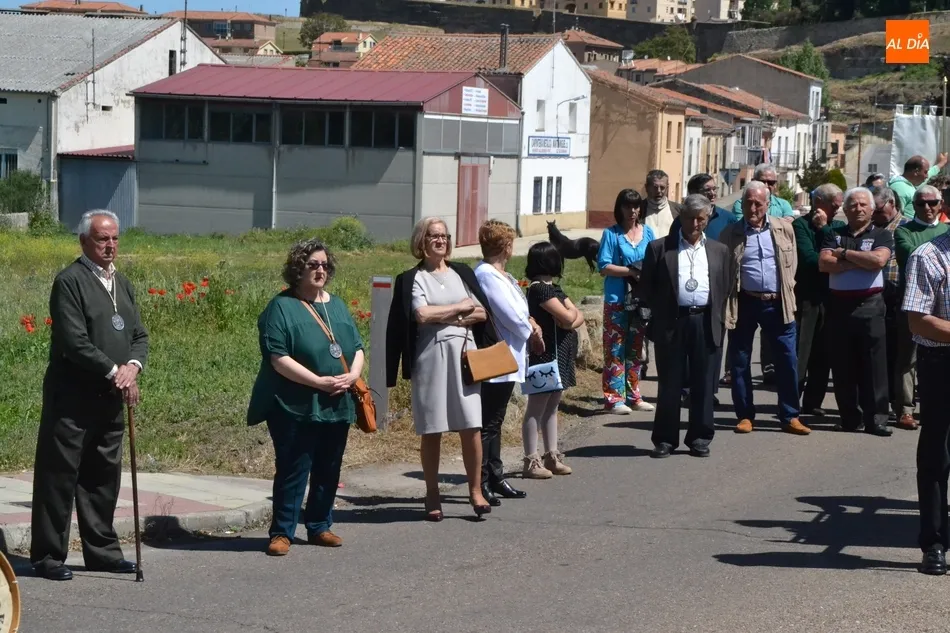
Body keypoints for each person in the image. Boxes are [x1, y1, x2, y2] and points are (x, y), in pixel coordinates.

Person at [30, 210, 148, 581]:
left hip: (110, 398)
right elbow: (74, 341)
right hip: (72, 397)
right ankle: (48, 555)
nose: (110, 245)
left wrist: (132, 367)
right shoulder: (70, 281)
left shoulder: (122, 283)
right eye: (102, 238)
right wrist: (115, 372)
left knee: (102, 477)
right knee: (59, 477)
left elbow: (138, 335)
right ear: (84, 241)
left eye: (114, 238)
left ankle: (102, 552)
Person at [247, 239, 364, 556]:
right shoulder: (281, 307)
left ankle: (319, 525)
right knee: (293, 468)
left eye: (324, 265)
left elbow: (357, 347)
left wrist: (353, 375)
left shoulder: (337, 305)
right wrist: (318, 382)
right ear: (298, 269)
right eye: (313, 264)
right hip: (293, 404)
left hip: (336, 401)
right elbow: (277, 357)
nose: (320, 270)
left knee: (329, 466)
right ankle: (282, 532)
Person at [386, 217, 494, 521]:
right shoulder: (413, 278)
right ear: (421, 241)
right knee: (432, 428)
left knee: (471, 424)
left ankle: (476, 490)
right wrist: (459, 308)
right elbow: (421, 314)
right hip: (430, 358)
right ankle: (432, 493)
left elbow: (482, 312)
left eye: (444, 236)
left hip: (464, 356)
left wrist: (447, 316)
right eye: (434, 236)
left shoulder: (462, 272)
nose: (441, 241)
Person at [639, 194, 733, 458]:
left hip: (706, 322)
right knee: (670, 384)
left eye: (700, 219)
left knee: (704, 384)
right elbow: (647, 288)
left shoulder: (719, 250)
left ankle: (700, 438)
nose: (694, 224)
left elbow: (725, 285)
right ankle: (665, 439)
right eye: (690, 218)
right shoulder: (659, 248)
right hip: (672, 322)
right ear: (681, 217)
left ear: (707, 219)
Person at [720, 182, 810, 436]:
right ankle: (745, 415)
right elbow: (723, 269)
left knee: (788, 360)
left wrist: (787, 290)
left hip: (779, 303)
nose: (753, 208)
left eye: (758, 203)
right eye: (748, 203)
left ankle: (790, 416)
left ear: (767, 205)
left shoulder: (784, 228)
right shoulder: (731, 233)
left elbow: (792, 264)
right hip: (744, 302)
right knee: (739, 360)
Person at [474, 220, 543, 503]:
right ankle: (482, 480)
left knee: (495, 420)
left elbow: (519, 310)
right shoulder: (487, 275)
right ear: (507, 247)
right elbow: (509, 314)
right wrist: (532, 332)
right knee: (488, 422)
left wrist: (530, 322)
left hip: (509, 356)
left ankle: (496, 475)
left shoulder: (500, 274)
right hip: (497, 356)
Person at [819, 187, 894, 437]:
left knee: (874, 366)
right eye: (853, 204)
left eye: (863, 204)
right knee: (843, 366)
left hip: (870, 306)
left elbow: (878, 261)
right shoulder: (834, 234)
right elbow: (824, 263)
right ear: (845, 209)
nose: (858, 208)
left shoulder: (882, 234)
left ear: (872, 209)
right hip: (839, 307)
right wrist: (861, 260)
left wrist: (844, 255)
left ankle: (877, 420)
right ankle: (850, 418)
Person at [902, 228, 950, 575]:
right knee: (936, 455)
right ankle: (934, 544)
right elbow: (918, 321)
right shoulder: (929, 256)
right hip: (942, 364)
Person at [672, 173, 739, 405]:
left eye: (713, 188)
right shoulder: (680, 221)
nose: (712, 193)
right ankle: (685, 389)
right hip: (687, 294)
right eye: (706, 190)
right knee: (686, 349)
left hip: (716, 292)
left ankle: (709, 391)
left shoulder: (728, 219)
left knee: (713, 346)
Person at [522, 242, 581, 478]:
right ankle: (531, 459)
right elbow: (568, 315)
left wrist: (569, 320)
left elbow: (576, 317)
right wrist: (569, 319)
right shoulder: (539, 290)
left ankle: (551, 454)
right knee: (536, 407)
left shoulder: (554, 288)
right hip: (545, 355)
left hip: (559, 355)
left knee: (552, 406)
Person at [894, 185, 949, 431]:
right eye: (921, 203)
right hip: (916, 305)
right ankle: (905, 408)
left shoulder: (944, 230)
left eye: (932, 202)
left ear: (940, 205)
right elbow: (910, 254)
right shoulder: (906, 231)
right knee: (908, 358)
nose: (927, 207)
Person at [597, 189, 656, 414]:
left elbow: (654, 260)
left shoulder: (648, 232)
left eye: (636, 206)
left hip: (640, 300)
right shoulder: (611, 234)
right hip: (617, 299)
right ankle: (614, 398)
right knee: (615, 348)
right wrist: (631, 272)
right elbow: (604, 266)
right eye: (627, 206)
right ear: (619, 208)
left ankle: (634, 396)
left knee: (635, 349)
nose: (632, 211)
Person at [792, 184, 844, 417]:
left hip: (831, 297)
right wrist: (834, 261)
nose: (838, 208)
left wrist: (824, 230)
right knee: (801, 352)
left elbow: (840, 249)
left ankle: (813, 401)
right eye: (834, 204)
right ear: (820, 202)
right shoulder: (800, 225)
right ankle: (791, 400)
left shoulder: (838, 226)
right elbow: (810, 259)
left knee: (824, 353)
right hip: (807, 297)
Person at [870, 185, 910, 426]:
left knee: (898, 354)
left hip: (898, 297)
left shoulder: (906, 227)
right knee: (878, 354)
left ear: (892, 204)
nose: (874, 214)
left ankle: (898, 404)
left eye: (878, 210)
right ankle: (878, 404)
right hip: (874, 298)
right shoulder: (871, 228)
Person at [888, 153, 948, 218]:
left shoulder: (911, 184)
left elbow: (930, 174)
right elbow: (894, 217)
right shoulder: (900, 188)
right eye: (925, 172)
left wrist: (941, 164)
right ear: (916, 172)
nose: (927, 176)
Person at [730, 164, 796, 221]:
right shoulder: (741, 204)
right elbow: (745, 226)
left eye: (770, 182)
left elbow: (788, 225)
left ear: (775, 184)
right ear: (753, 181)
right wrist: (779, 222)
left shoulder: (783, 205)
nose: (766, 186)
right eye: (762, 182)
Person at [641, 169, 682, 238]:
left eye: (662, 187)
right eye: (655, 187)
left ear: (667, 188)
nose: (658, 191)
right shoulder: (637, 210)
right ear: (646, 187)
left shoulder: (679, 210)